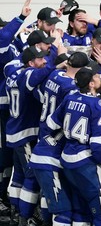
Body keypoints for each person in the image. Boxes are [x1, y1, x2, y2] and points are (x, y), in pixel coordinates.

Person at [45, 64, 101, 225]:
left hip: (67, 159)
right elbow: (99, 147)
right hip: (86, 162)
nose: (100, 78)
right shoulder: (99, 106)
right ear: (91, 84)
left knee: (81, 210)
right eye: (97, 76)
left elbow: (51, 123)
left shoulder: (70, 98)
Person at [5, 46, 58, 225]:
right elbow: (37, 77)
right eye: (40, 59)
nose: (44, 61)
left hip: (14, 131)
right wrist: (57, 60)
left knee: (19, 174)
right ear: (30, 62)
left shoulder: (13, 73)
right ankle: (25, 216)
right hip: (24, 134)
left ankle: (15, 211)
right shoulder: (27, 74)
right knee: (32, 175)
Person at [0, 0, 31, 220]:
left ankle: (7, 199)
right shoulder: (2, 43)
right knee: (5, 156)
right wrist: (20, 17)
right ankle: (3, 197)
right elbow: (3, 36)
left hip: (11, 111)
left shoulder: (11, 45)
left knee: (11, 157)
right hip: (5, 110)